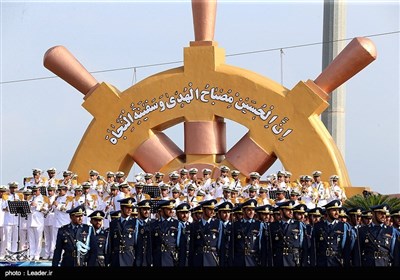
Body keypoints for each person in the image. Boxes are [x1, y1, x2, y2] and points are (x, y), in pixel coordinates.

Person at [106, 197, 137, 266]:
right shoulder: (114, 223)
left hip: (129, 257)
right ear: (121, 208)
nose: (130, 210)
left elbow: (137, 242)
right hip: (116, 257)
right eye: (127, 207)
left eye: (131, 208)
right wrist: (108, 260)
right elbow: (110, 243)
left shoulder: (135, 222)